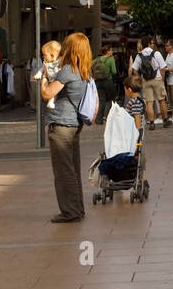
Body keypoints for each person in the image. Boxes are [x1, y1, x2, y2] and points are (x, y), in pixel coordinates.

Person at [41, 31, 93, 224]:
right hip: (74, 124)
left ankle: (69, 211)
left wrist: (44, 79)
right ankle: (77, 208)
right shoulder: (84, 70)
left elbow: (47, 94)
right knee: (73, 168)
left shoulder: (67, 70)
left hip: (61, 125)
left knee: (63, 171)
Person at [131, 37, 166, 129]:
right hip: (157, 79)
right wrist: (162, 78)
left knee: (149, 102)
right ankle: (165, 120)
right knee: (161, 100)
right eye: (152, 43)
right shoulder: (156, 53)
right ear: (150, 44)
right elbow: (163, 68)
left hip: (146, 80)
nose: (153, 44)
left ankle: (151, 123)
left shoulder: (139, 55)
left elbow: (134, 70)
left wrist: (140, 78)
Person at [93, 45, 118, 123]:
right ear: (107, 52)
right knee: (112, 99)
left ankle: (99, 119)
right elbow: (114, 71)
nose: (112, 51)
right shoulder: (111, 59)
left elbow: (89, 65)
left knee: (101, 100)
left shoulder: (97, 60)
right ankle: (109, 117)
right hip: (108, 81)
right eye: (111, 50)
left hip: (98, 82)